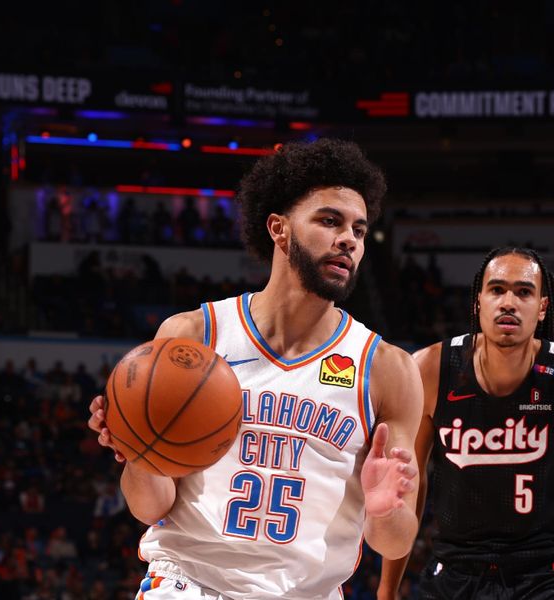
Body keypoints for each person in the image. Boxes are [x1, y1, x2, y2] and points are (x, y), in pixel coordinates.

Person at [88, 138, 423, 599]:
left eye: (359, 230)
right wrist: (140, 453)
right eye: (329, 221)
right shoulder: (194, 335)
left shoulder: (388, 368)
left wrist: (385, 512)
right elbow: (151, 507)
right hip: (191, 581)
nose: (349, 238)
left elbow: (397, 540)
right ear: (279, 229)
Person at [379, 247, 554, 600]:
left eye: (524, 292)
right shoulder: (428, 370)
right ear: (478, 302)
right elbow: (411, 482)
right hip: (455, 571)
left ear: (543, 307)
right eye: (497, 290)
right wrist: (387, 589)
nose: (508, 302)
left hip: (546, 574)